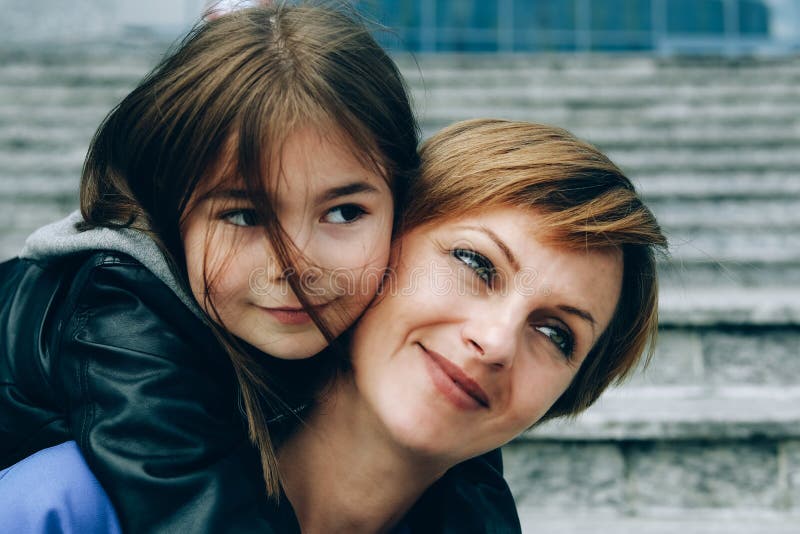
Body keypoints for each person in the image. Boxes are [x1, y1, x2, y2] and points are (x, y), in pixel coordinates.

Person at [3, 118, 667, 532]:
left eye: (557, 334)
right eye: (475, 263)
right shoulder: (68, 505)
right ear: (374, 250)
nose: (495, 343)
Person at [0, 5, 518, 533]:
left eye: (344, 212)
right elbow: (190, 505)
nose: (295, 268)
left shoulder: (381, 293)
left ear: (399, 206)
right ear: (171, 211)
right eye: (244, 215)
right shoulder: (120, 309)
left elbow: (464, 484)